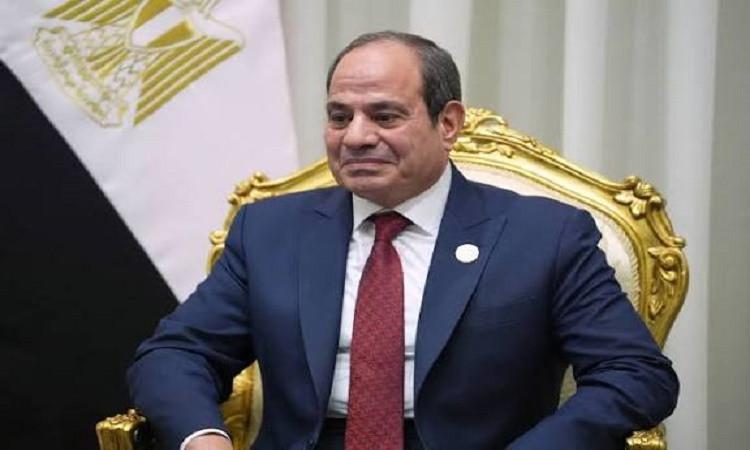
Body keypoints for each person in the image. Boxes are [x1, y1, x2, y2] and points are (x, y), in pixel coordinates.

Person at [128, 31, 679, 450]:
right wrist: (203, 438)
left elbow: (636, 373)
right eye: (339, 116)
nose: (356, 136)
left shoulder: (544, 235)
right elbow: (177, 353)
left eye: (384, 116)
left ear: (448, 123)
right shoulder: (271, 230)